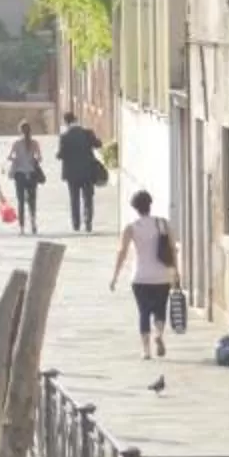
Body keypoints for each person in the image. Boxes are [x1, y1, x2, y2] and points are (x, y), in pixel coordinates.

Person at [108, 190, 181, 359]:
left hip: (140, 276)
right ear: (150, 205)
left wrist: (115, 276)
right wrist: (176, 271)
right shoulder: (163, 224)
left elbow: (122, 252)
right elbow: (172, 249)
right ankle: (159, 334)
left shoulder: (131, 227)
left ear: (135, 208)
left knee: (144, 312)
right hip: (162, 275)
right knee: (160, 308)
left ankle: (146, 350)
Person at [57, 112, 106, 232]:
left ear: (66, 122)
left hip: (72, 174)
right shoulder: (87, 133)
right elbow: (98, 144)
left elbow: (61, 154)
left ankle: (76, 224)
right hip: (87, 171)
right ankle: (88, 220)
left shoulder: (64, 137)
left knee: (74, 199)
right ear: (76, 120)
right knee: (88, 197)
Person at [6, 123, 46, 234]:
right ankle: (33, 222)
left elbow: (10, 157)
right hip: (32, 174)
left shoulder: (16, 143)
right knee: (32, 200)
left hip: (20, 175)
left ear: (20, 131)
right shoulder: (35, 143)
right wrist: (33, 160)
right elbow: (40, 158)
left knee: (21, 201)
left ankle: (22, 227)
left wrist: (15, 159)